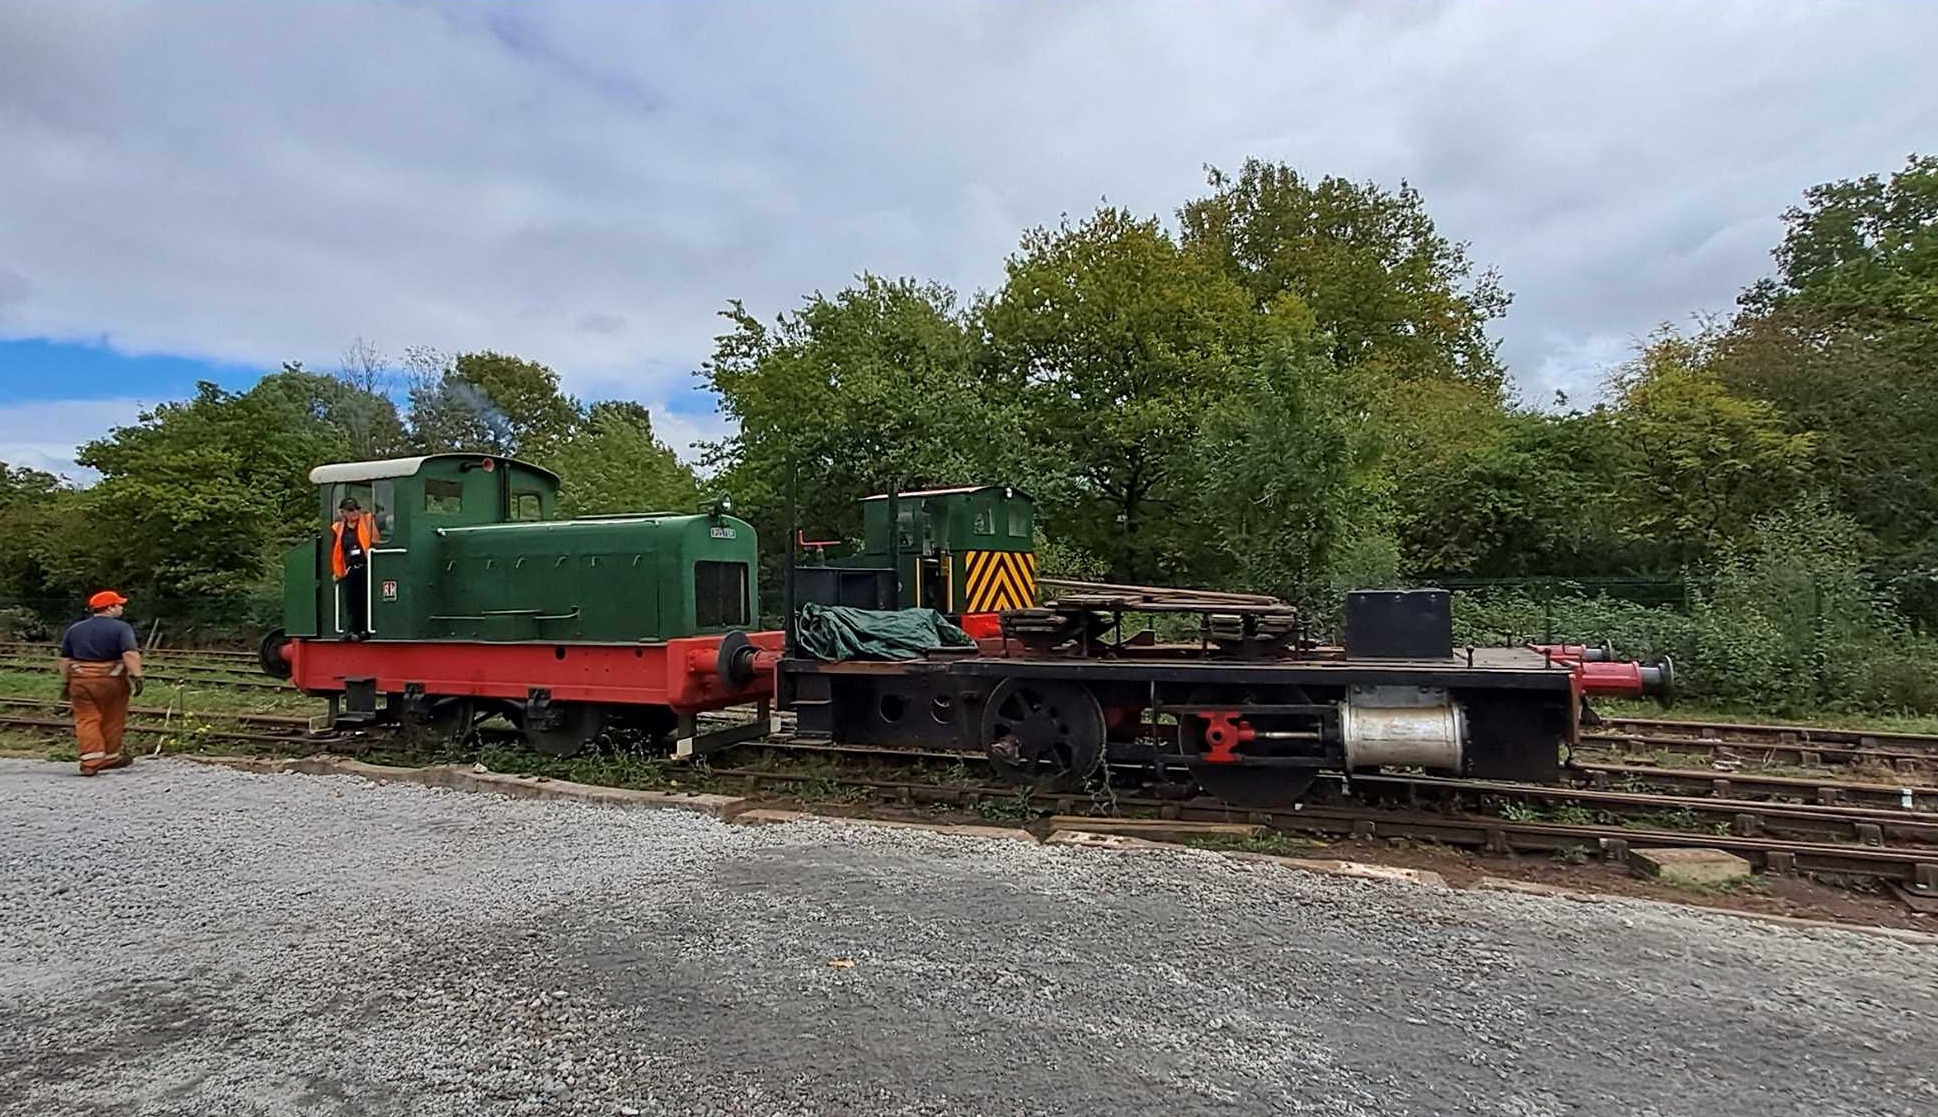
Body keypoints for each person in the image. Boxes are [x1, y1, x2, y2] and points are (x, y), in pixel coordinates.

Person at [56, 590, 145, 776]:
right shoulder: (122, 628)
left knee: (87, 718)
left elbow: (64, 659)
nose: (121, 607)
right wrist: (137, 676)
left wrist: (66, 682)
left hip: (81, 680)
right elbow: (129, 653)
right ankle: (111, 757)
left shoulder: (75, 629)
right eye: (119, 604)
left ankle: (91, 760)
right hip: (112, 680)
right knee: (113, 717)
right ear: (110, 608)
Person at [331, 496, 379, 639]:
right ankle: (351, 631)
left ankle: (364, 630)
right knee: (351, 600)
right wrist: (338, 571)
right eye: (351, 510)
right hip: (350, 568)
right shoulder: (338, 528)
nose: (355, 512)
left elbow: (375, 539)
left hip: (366, 567)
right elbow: (337, 550)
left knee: (365, 598)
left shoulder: (367, 521)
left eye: (357, 509)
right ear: (343, 512)